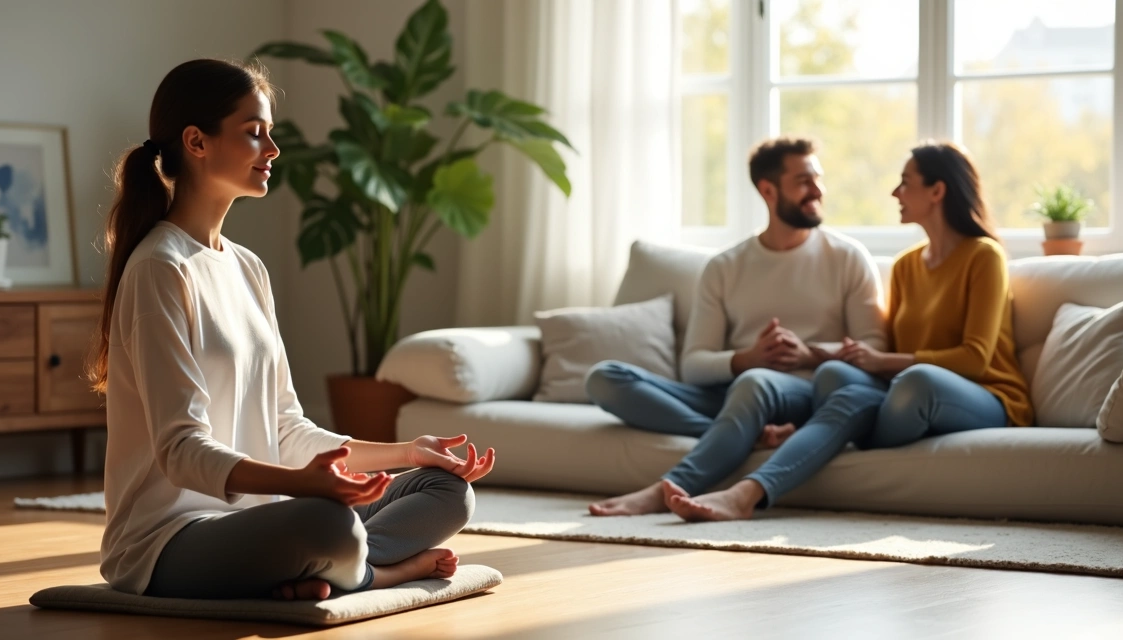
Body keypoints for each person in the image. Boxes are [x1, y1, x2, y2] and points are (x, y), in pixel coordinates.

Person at [89, 59, 495, 601]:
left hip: (267, 521)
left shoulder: (248, 268)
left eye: (271, 135)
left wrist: (409, 453)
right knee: (329, 525)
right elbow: (181, 451)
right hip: (169, 541)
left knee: (446, 490)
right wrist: (302, 485)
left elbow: (287, 431)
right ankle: (384, 571)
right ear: (196, 142)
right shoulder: (161, 268)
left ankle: (324, 571)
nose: (273, 150)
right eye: (255, 134)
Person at [587, 137, 887, 520]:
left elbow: (874, 345)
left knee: (756, 382)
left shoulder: (847, 257)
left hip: (805, 391)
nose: (817, 190)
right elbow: (693, 365)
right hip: (735, 393)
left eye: (818, 179)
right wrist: (747, 358)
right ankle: (740, 431)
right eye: (804, 181)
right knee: (605, 377)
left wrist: (809, 353)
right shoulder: (726, 267)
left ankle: (667, 487)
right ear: (768, 190)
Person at [819, 141, 1034, 449]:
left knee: (919, 382)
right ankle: (837, 436)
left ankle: (850, 443)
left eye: (906, 182)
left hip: (987, 396)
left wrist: (882, 362)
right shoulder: (905, 265)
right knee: (833, 376)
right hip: (907, 392)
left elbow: (974, 359)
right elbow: (894, 351)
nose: (896, 193)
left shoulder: (985, 257)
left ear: (937, 191)